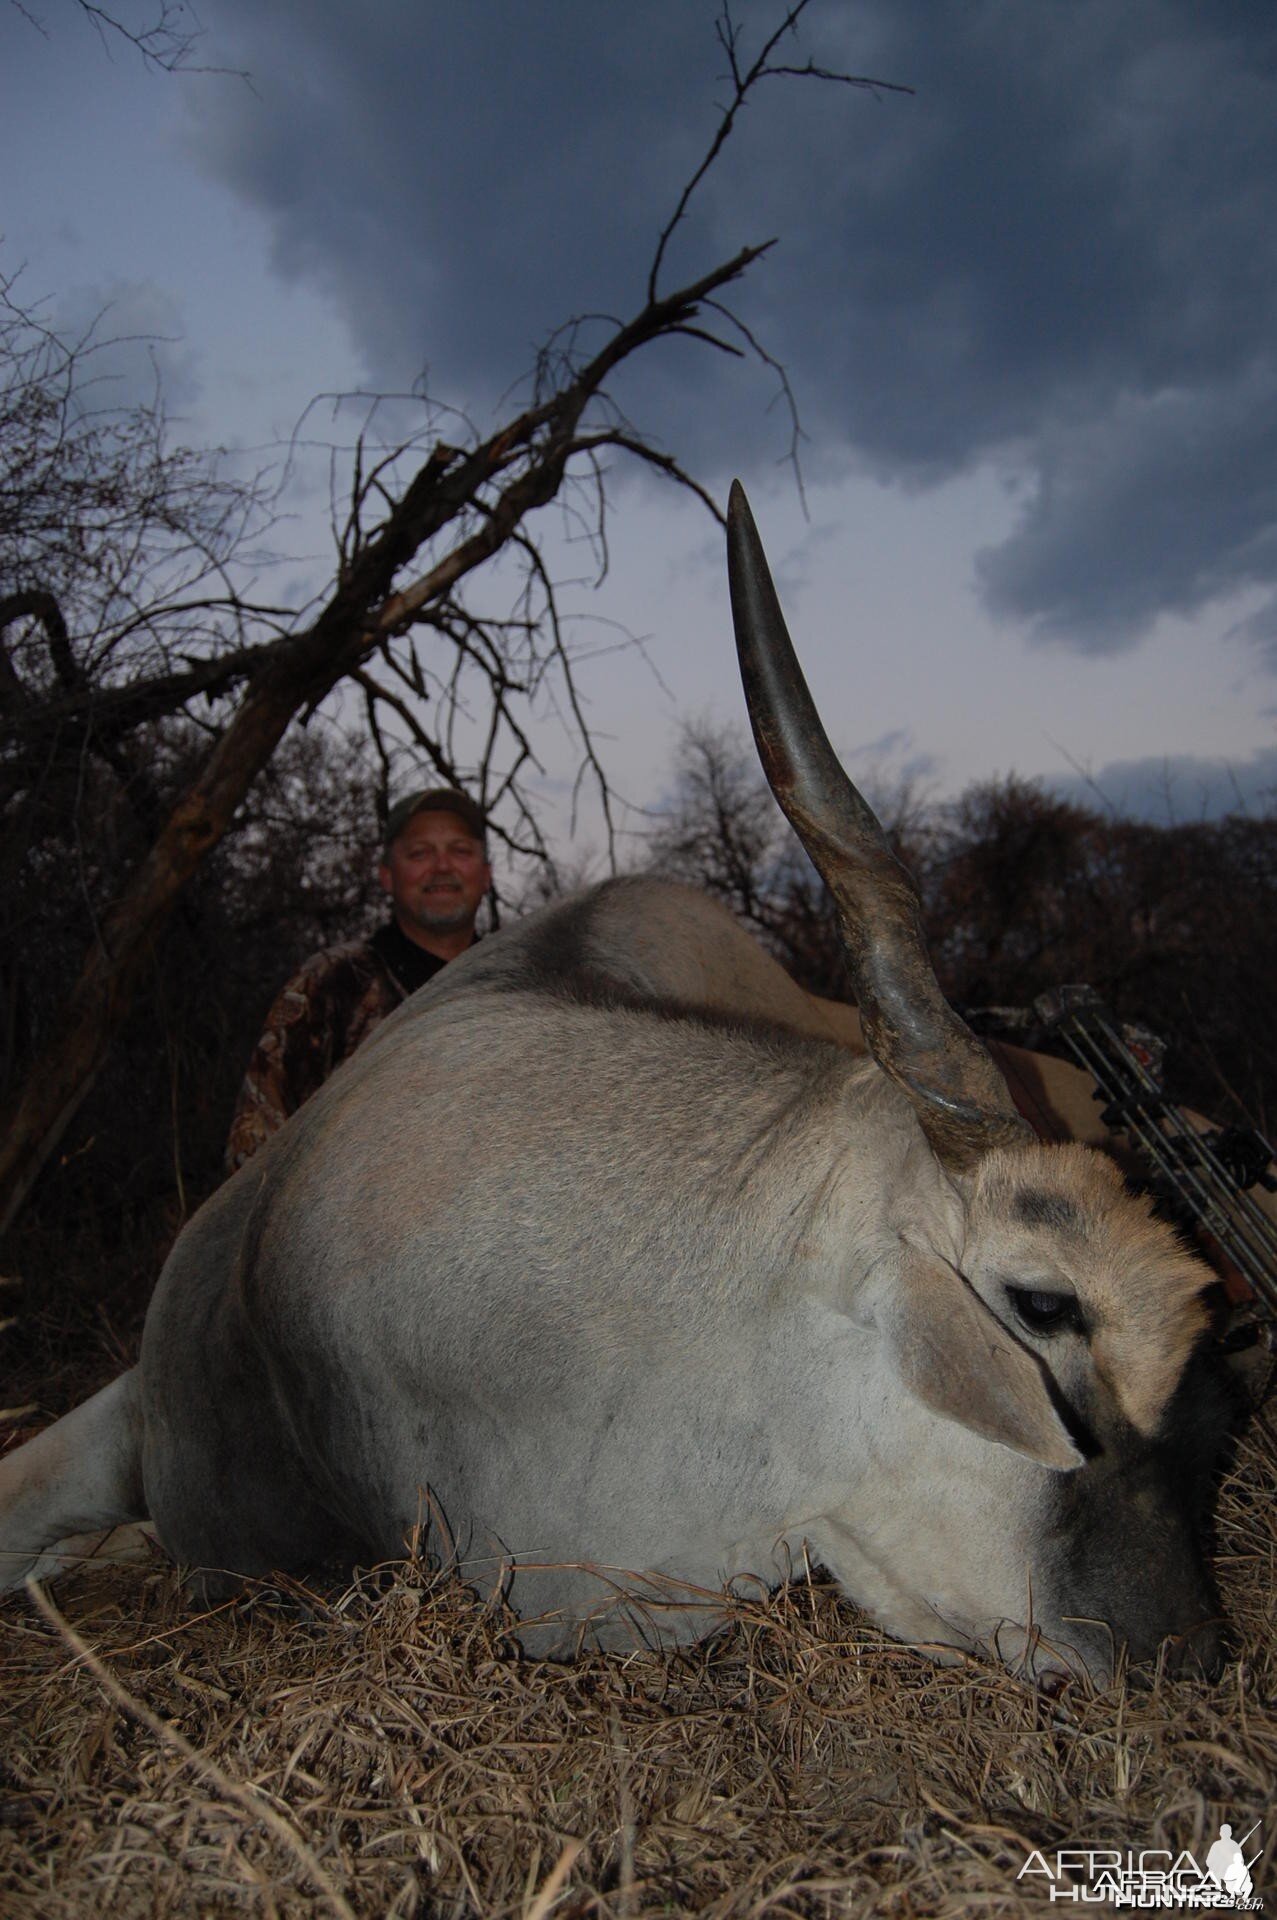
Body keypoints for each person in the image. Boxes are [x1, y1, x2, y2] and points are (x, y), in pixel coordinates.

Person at [225, 788, 491, 1171]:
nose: (442, 866)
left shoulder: (524, 993)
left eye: (460, 851)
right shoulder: (331, 983)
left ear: (485, 876)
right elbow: (253, 1146)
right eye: (419, 853)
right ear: (387, 876)